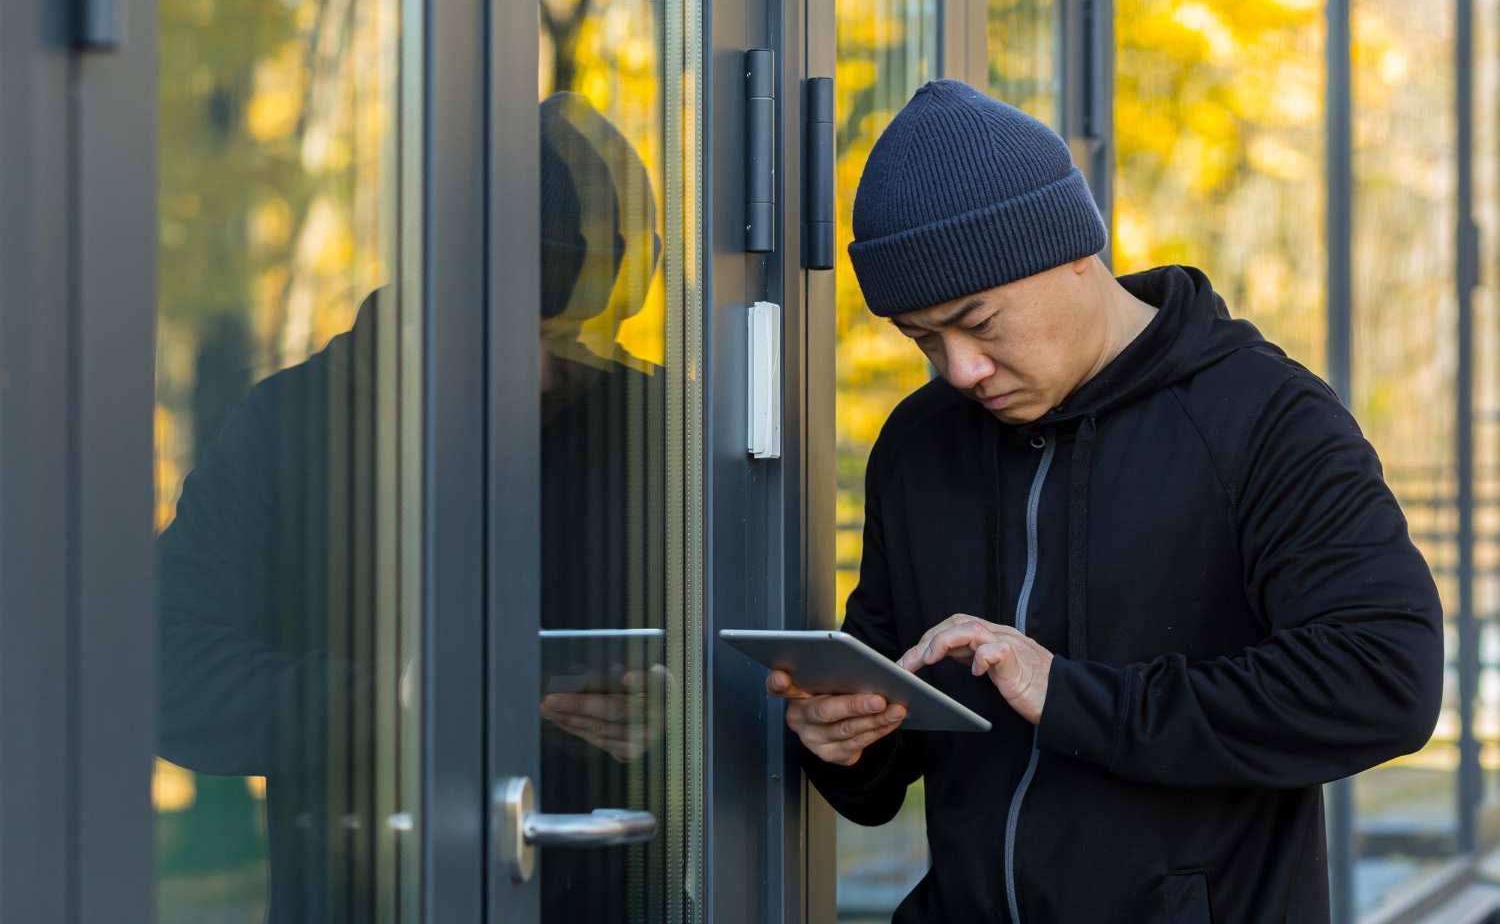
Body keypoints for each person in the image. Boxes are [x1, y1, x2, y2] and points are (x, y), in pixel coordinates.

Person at [767, 78, 1444, 922]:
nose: (960, 370)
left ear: (1074, 252)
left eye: (979, 322)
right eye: (923, 339)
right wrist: (844, 743)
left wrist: (1072, 697)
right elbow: (886, 740)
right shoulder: (920, 442)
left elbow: (1384, 681)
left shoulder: (1265, 419)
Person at [156, 92, 668, 922]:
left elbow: (765, 700)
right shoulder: (290, 430)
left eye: (572, 339)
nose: (542, 374)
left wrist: (667, 724)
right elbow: (166, 676)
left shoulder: (663, 431)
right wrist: (394, 700)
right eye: (515, 335)